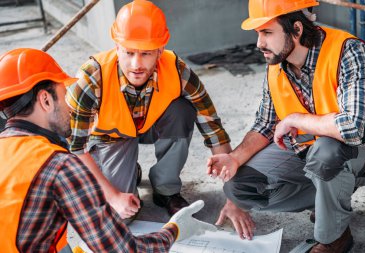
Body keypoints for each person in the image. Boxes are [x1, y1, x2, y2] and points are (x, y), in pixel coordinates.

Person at [0, 48, 216, 252]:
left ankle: (131, 171)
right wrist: (174, 231)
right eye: (63, 91)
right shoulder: (59, 166)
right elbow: (122, 249)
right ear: (46, 100)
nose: (69, 102)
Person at [207, 0, 365, 252]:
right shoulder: (277, 64)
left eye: (267, 32)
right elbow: (265, 125)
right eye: (258, 34)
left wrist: (295, 119)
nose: (259, 43)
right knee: (238, 186)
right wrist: (234, 158)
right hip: (310, 152)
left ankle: (334, 238)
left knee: (327, 152)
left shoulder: (348, 51)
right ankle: (327, 206)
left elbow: (355, 127)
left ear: (296, 30)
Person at [66, 0, 231, 218]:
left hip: (151, 125)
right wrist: (113, 196)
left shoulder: (177, 70)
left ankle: (165, 190)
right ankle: (129, 172)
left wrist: (233, 196)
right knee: (122, 216)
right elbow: (75, 147)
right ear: (116, 46)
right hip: (110, 138)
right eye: (129, 53)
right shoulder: (91, 77)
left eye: (146, 54)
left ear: (160, 50)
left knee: (182, 110)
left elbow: (212, 126)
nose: (136, 64)